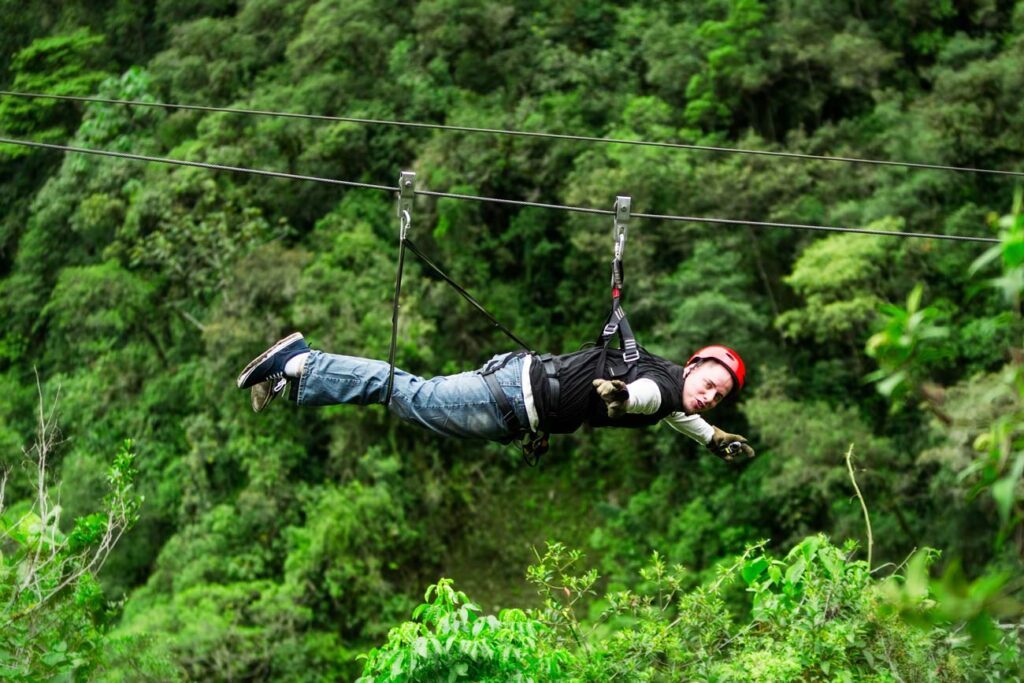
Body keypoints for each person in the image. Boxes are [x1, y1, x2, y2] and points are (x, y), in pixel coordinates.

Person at [236, 333, 756, 462]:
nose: (710, 396)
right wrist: (622, 394)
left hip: (516, 386)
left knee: (407, 396)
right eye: (710, 383)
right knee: (404, 392)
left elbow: (677, 412)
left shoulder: (673, 382)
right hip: (511, 398)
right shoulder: (662, 386)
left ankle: (294, 377)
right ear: (693, 366)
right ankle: (300, 363)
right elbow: (648, 399)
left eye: (720, 396)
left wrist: (714, 439)